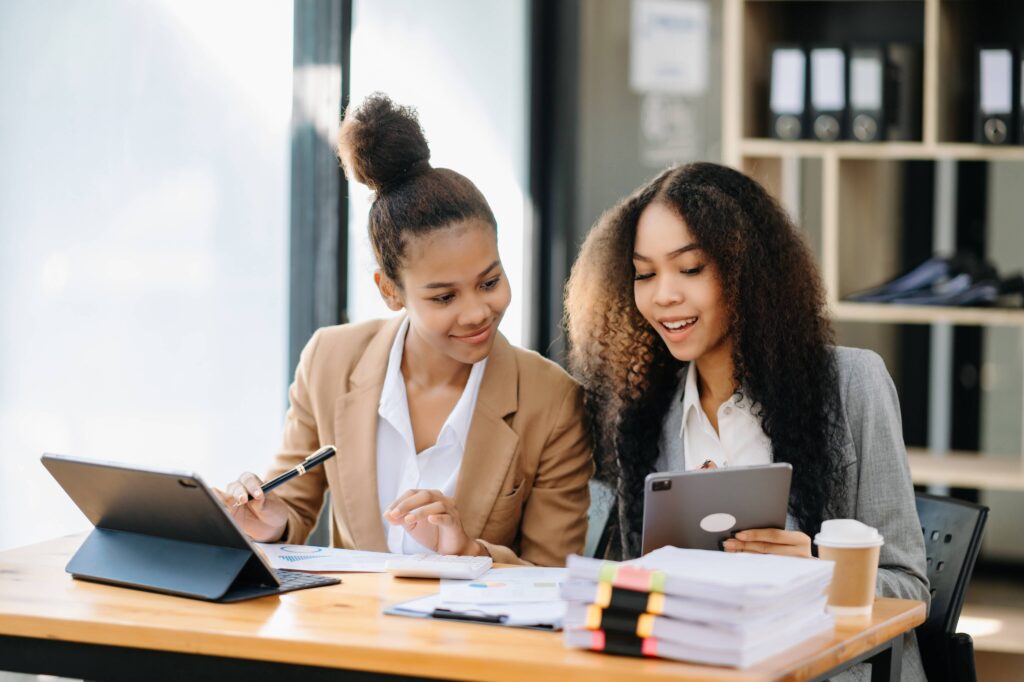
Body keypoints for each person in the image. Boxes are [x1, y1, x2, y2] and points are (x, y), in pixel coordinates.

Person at [564, 161, 928, 679]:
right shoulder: (643, 412)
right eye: (644, 274)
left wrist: (820, 571)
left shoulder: (854, 383)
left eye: (690, 269)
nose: (664, 294)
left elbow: (910, 587)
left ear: (747, 270)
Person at [215, 94, 591, 566]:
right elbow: (293, 502)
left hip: (473, 636)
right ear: (390, 291)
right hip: (352, 632)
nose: (477, 312)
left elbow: (556, 575)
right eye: (444, 297)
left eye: (489, 282)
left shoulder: (551, 401)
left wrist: (469, 550)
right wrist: (269, 519)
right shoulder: (329, 360)